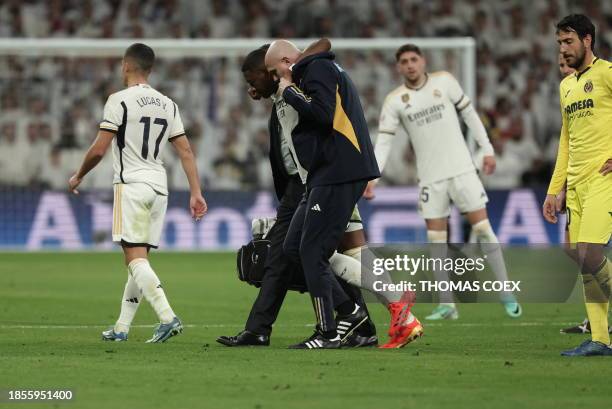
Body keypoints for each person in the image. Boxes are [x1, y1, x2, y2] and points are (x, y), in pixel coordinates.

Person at [217, 41, 379, 348]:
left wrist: (289, 76)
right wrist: (271, 89)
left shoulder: (304, 80)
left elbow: (322, 48)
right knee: (285, 254)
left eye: (255, 79)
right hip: (302, 186)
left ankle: (365, 316)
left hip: (323, 179)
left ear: (272, 69)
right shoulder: (282, 94)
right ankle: (262, 328)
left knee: (326, 254)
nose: (251, 88)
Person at [368, 43, 522, 320]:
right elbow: (384, 143)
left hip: (462, 170)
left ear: (423, 61)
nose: (410, 65)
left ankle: (505, 290)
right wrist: (373, 177)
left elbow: (470, 115)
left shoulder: (445, 81)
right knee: (436, 241)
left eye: (414, 59)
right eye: (404, 61)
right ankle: (447, 304)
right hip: (430, 178)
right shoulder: (395, 100)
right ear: (398, 67)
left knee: (484, 229)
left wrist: (486, 148)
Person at [68, 43, 207, 343]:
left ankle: (168, 317)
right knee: (138, 259)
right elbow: (185, 151)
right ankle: (121, 327)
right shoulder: (168, 104)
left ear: (126, 66)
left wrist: (79, 174)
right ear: (151, 69)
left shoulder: (118, 101)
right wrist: (195, 191)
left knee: (134, 258)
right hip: (159, 187)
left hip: (131, 184)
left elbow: (100, 148)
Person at [265, 40, 383, 349]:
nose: (275, 78)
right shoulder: (318, 68)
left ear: (287, 61)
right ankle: (351, 311)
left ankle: (328, 331)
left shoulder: (316, 67)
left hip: (338, 171)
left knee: (312, 252)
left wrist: (288, 90)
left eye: (274, 71)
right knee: (294, 247)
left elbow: (323, 112)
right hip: (327, 173)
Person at [542, 14, 612, 356]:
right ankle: (600, 339)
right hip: (577, 184)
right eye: (559, 43)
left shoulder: (608, 74)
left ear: (587, 40)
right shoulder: (567, 86)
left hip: (605, 178)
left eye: (568, 41)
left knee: (591, 253)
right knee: (583, 259)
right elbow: (566, 142)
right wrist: (554, 190)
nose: (563, 48)